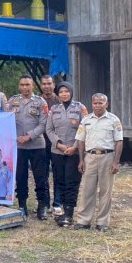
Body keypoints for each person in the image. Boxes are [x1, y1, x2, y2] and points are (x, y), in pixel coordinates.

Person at [74, 93, 123, 232]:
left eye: (101, 103)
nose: (98, 105)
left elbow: (119, 141)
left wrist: (116, 162)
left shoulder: (114, 120)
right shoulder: (86, 120)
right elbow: (81, 140)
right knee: (87, 190)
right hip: (89, 157)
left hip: (107, 157)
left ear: (106, 104)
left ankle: (102, 222)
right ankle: (84, 221)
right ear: (92, 104)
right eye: (95, 103)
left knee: (106, 191)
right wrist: (81, 160)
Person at [45, 82, 87, 227]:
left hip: (74, 152)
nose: (64, 94)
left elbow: (84, 129)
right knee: (60, 181)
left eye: (66, 91)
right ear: (58, 94)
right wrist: (60, 145)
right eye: (61, 92)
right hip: (57, 152)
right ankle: (63, 210)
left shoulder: (80, 108)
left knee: (72, 182)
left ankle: (69, 213)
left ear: (71, 92)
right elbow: (49, 130)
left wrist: (74, 147)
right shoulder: (53, 109)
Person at [8, 75, 50, 220]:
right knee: (20, 177)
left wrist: (29, 136)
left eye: (27, 85)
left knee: (40, 177)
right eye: (22, 85)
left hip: (37, 145)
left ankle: (42, 206)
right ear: (19, 86)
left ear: (32, 86)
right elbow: (6, 121)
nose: (25, 87)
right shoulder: (13, 101)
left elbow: (44, 124)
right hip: (19, 147)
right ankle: (22, 205)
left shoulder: (40, 102)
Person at [39, 74, 61, 216]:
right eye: (44, 84)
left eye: (49, 83)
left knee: (58, 174)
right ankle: (45, 203)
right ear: (40, 86)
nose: (47, 86)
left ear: (54, 85)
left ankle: (58, 203)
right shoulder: (37, 101)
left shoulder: (60, 100)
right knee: (43, 174)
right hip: (40, 143)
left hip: (56, 144)